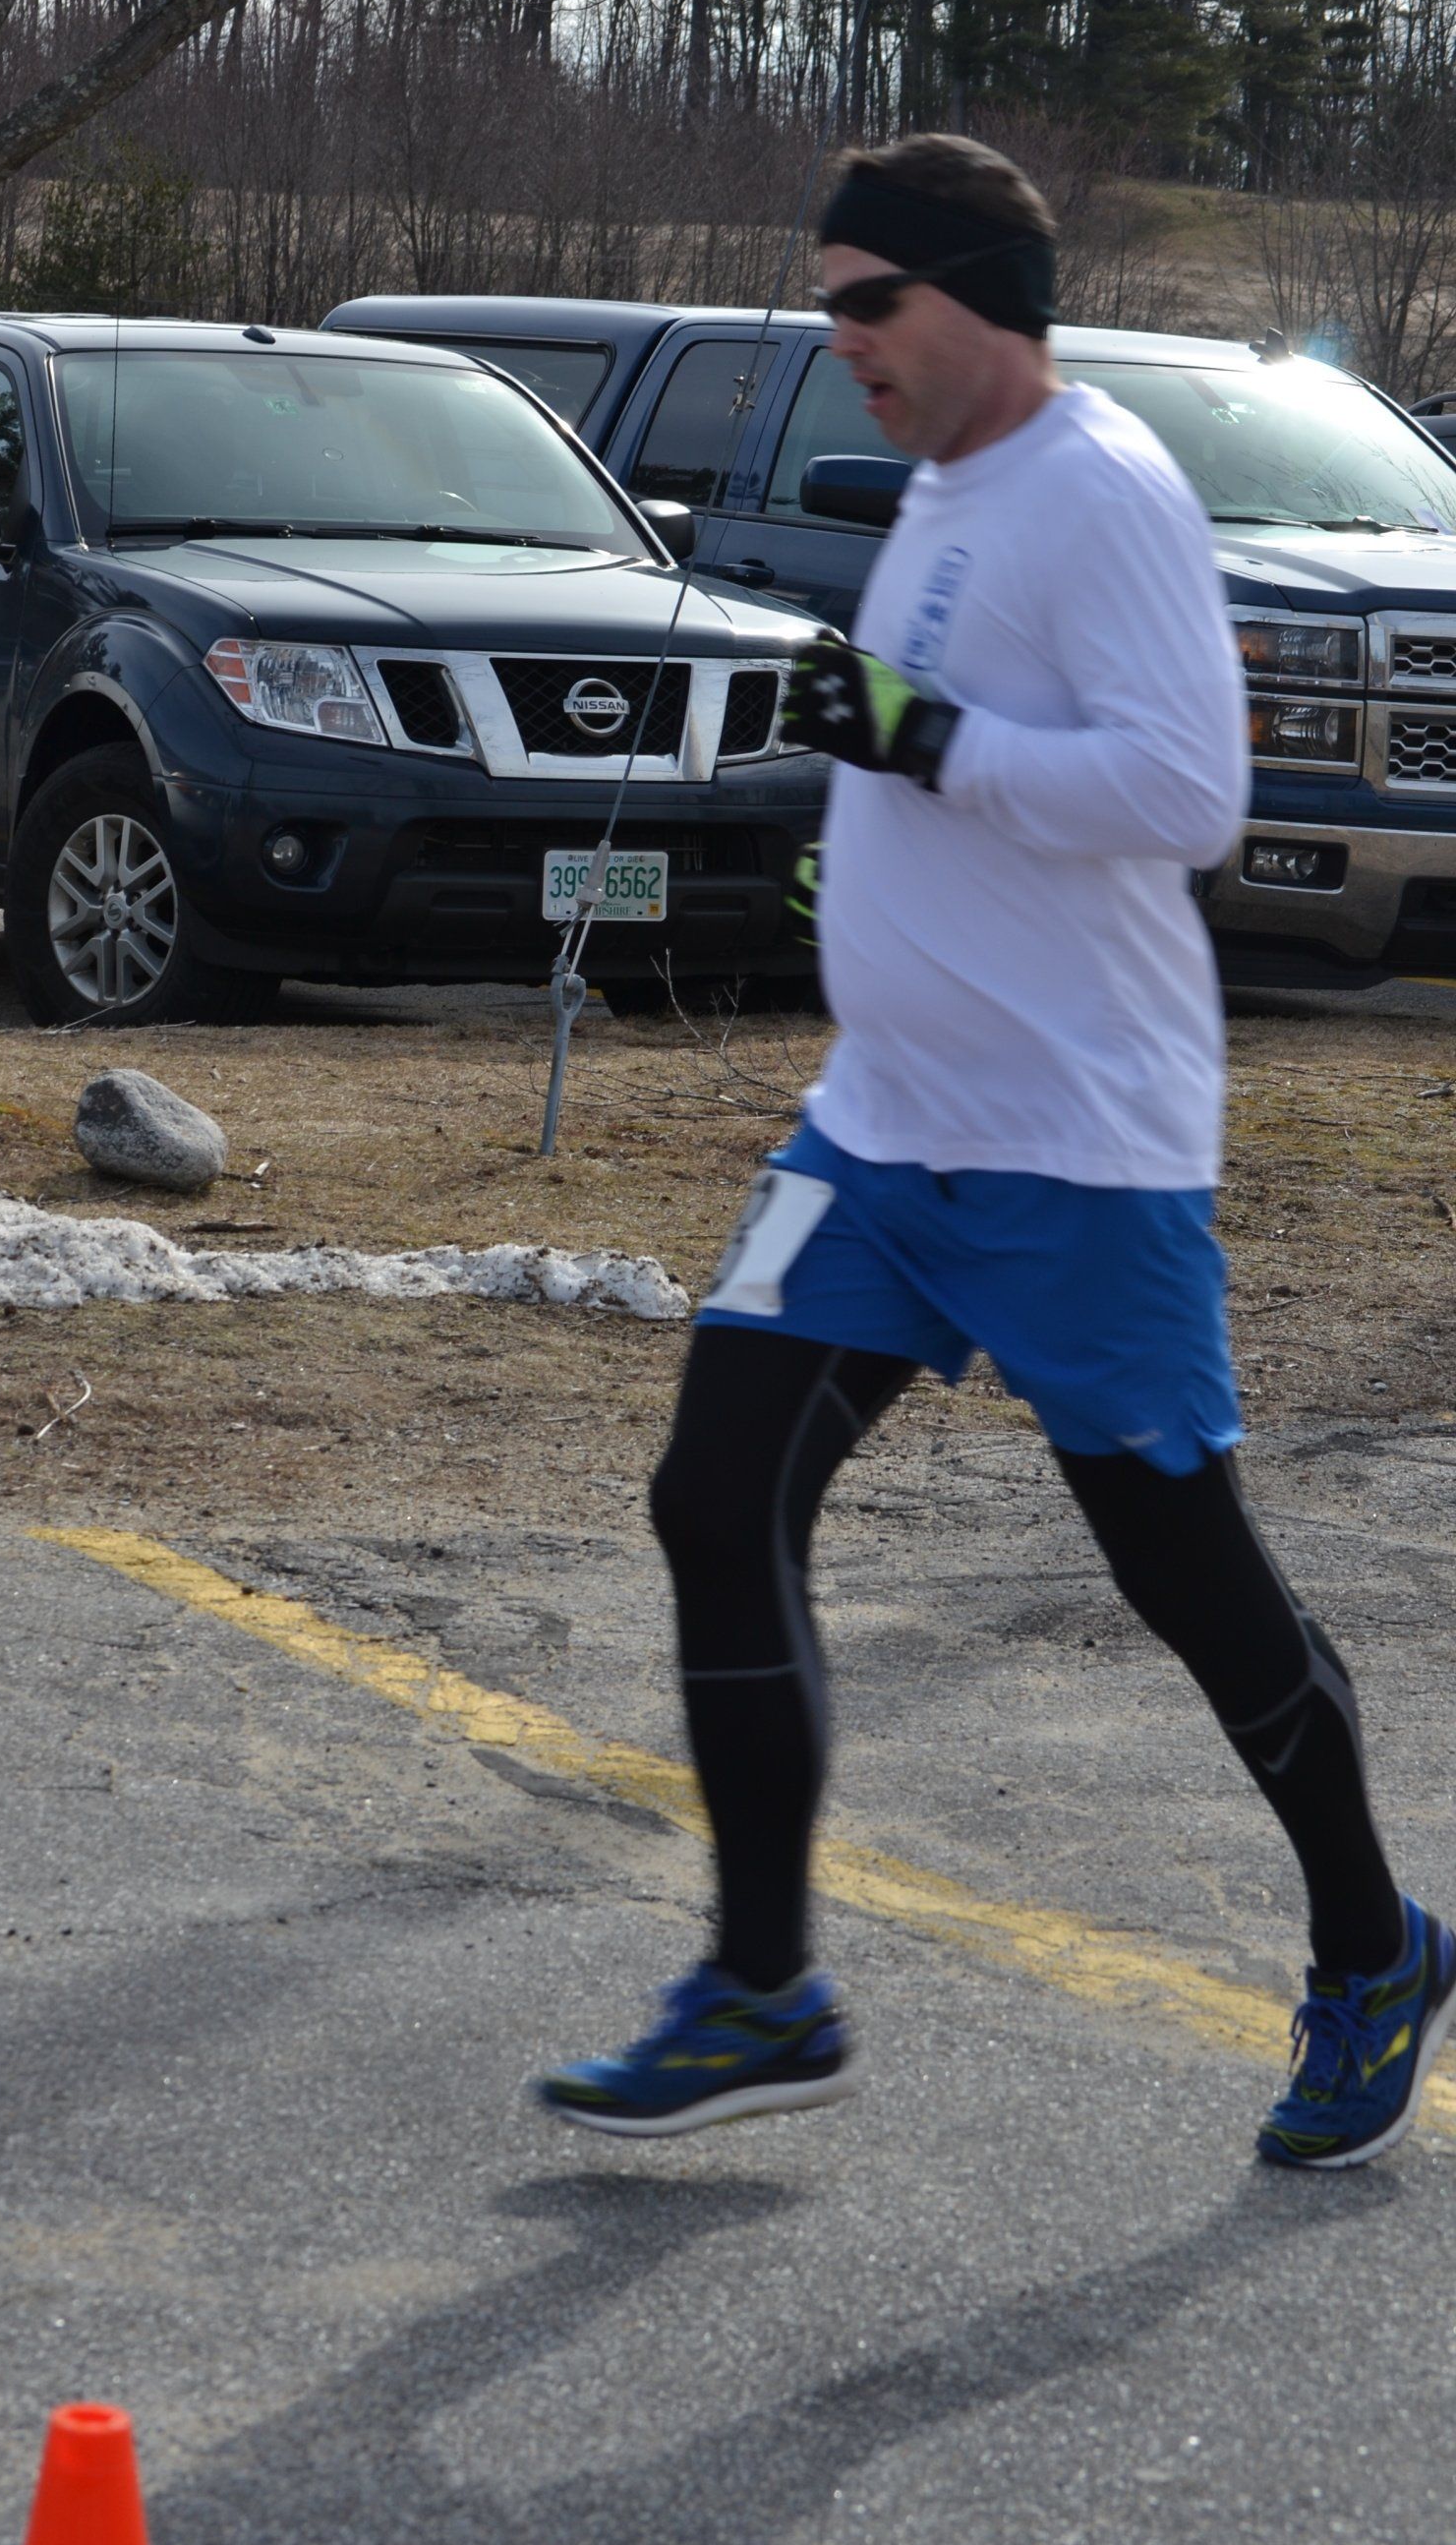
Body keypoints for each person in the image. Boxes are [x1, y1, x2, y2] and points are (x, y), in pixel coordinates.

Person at [536, 132, 1454, 2170]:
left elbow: (1189, 792)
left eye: (869, 301)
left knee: (1187, 1578)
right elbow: (938, 747)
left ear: (975, 301)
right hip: (886, 1130)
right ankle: (763, 1984)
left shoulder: (1100, 487)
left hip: (1075, 1151)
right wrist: (870, 812)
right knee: (715, 1496)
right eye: (829, 306)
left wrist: (924, 746)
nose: (840, 339)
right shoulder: (948, 486)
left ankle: (1374, 1943)